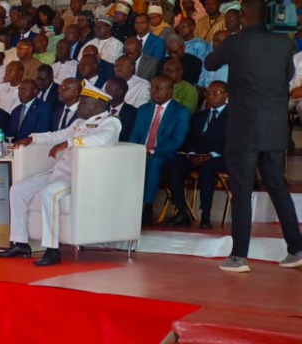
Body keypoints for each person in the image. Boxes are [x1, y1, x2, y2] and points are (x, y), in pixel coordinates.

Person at [204, 0, 302, 272]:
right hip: (273, 127)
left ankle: (239, 256)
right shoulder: (284, 43)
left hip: (244, 128)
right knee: (277, 187)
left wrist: (223, 47)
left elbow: (210, 63)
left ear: (244, 15)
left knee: (242, 190)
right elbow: (289, 75)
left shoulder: (236, 42)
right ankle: (296, 248)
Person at [0, 80, 121, 266]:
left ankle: (52, 250)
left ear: (99, 104)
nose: (80, 106)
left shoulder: (110, 122)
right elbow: (57, 135)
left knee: (49, 193)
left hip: (80, 176)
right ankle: (20, 242)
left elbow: (101, 140)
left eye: (84, 102)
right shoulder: (80, 122)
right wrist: (33, 138)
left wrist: (69, 143)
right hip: (59, 171)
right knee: (18, 190)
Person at [162, 81, 228, 229]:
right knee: (174, 165)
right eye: (208, 93)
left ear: (226, 95)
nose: (211, 96)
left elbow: (233, 143)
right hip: (197, 156)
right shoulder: (200, 116)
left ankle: (206, 214)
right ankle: (182, 210)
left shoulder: (234, 116)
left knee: (207, 170)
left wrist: (211, 155)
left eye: (216, 93)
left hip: (220, 158)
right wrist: (191, 154)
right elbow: (190, 138)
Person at [129, 75, 190, 226]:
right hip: (141, 152)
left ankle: (147, 208)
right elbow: (135, 134)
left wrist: (151, 151)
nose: (154, 92)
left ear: (169, 91)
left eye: (158, 88)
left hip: (166, 154)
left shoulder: (181, 112)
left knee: (154, 162)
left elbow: (177, 141)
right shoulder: (144, 109)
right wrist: (132, 150)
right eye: (152, 88)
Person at [103, 77, 138, 141]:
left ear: (120, 92)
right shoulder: (101, 109)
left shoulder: (133, 113)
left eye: (109, 90)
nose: (106, 93)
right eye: (106, 90)